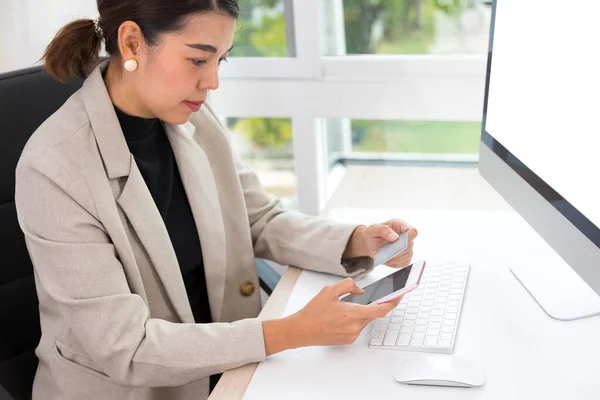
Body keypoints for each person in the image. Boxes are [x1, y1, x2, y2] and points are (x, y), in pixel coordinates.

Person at [14, 1, 418, 399]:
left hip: (230, 367)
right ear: (133, 42)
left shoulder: (191, 116)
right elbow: (127, 348)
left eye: (220, 61)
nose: (212, 82)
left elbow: (257, 218)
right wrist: (294, 329)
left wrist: (356, 241)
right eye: (197, 60)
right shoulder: (54, 167)